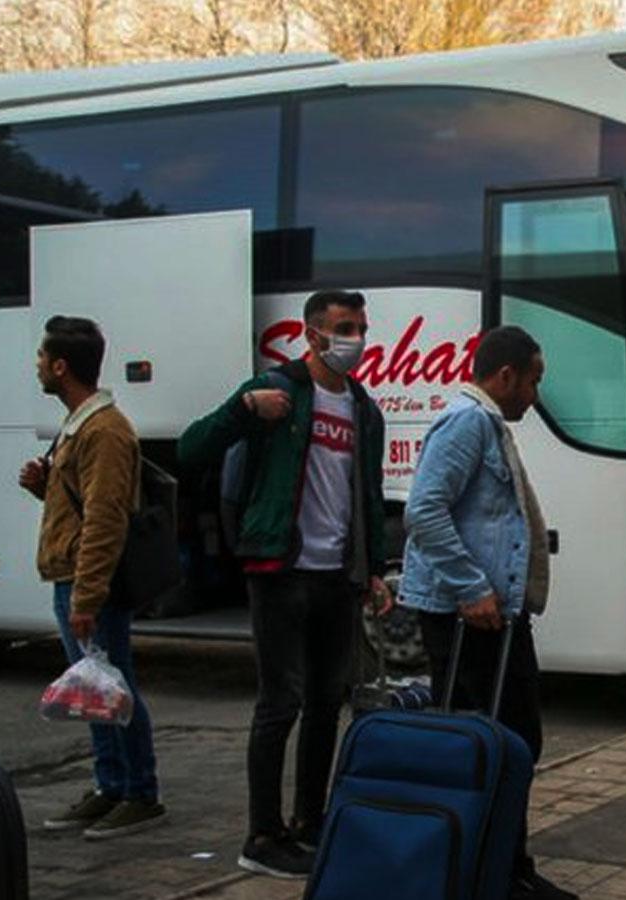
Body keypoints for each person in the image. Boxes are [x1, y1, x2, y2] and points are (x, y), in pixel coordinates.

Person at [179, 290, 391, 879]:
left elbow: (367, 496)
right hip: (281, 570)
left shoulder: (363, 409)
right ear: (313, 333)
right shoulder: (278, 391)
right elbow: (193, 448)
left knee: (328, 703)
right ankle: (261, 833)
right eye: (345, 327)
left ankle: (310, 822)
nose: (356, 338)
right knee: (281, 703)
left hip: (338, 578)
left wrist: (373, 568)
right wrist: (245, 409)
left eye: (362, 327)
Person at [396, 326, 574, 900]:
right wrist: (471, 587)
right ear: (505, 377)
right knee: (497, 741)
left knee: (512, 738)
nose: (535, 395)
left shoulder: (484, 421)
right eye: (534, 381)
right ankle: (490, 870)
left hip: (490, 612)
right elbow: (423, 510)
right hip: (468, 613)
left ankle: (504, 866)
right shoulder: (469, 421)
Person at [23, 316, 166, 840]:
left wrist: (87, 595)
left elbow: (106, 520)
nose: (36, 365)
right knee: (95, 692)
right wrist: (44, 487)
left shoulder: (104, 430)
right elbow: (82, 506)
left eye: (42, 357)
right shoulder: (80, 422)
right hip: (74, 578)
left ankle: (140, 793)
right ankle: (110, 786)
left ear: (61, 366)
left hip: (88, 584)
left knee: (116, 686)